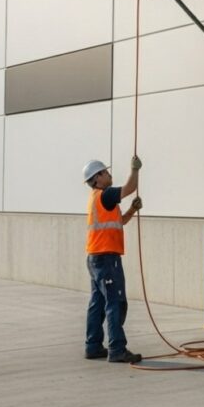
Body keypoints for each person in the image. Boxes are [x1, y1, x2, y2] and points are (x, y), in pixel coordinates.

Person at [81, 155, 143, 363]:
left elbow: (120, 221)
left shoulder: (98, 198)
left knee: (97, 303)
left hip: (95, 257)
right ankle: (117, 349)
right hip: (107, 258)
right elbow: (130, 188)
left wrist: (132, 210)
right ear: (97, 178)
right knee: (115, 302)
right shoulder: (105, 195)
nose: (109, 175)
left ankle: (93, 346)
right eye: (105, 172)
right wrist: (135, 169)